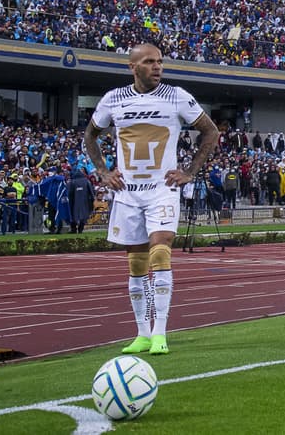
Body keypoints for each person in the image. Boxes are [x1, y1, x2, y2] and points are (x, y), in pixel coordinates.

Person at [83, 43, 220, 357]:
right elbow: (90, 136)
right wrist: (104, 172)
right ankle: (142, 334)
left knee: (160, 252)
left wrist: (189, 171)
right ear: (133, 66)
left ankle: (161, 333)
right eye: (149, 62)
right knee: (135, 264)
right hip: (128, 193)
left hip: (162, 189)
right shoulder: (113, 99)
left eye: (160, 62)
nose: (157, 67)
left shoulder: (177, 97)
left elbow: (210, 131)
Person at [67, 167, 95, 234]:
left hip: (74, 203)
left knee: (73, 215)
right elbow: (92, 192)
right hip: (85, 202)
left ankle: (74, 229)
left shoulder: (72, 182)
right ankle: (80, 229)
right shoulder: (86, 181)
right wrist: (92, 201)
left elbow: (69, 193)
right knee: (84, 216)